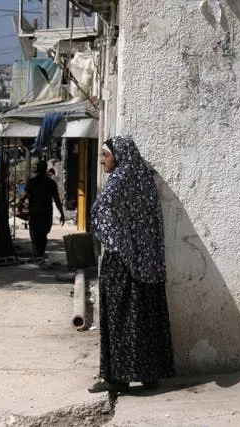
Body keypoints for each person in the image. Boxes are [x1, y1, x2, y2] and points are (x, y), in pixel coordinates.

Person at [88, 135, 175, 393]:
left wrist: (114, 239)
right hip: (148, 262)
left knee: (119, 317)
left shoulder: (119, 179)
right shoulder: (144, 177)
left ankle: (117, 378)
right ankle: (149, 375)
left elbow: (100, 210)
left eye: (105, 155)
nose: (102, 160)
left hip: (121, 261)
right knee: (144, 314)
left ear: (118, 156)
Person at [17, 160, 65, 259]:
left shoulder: (32, 182)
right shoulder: (50, 183)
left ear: (37, 170)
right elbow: (56, 199)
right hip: (46, 213)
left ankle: (38, 254)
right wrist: (62, 213)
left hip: (35, 213)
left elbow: (23, 196)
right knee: (43, 234)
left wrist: (19, 207)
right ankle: (40, 254)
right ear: (45, 169)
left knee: (35, 234)